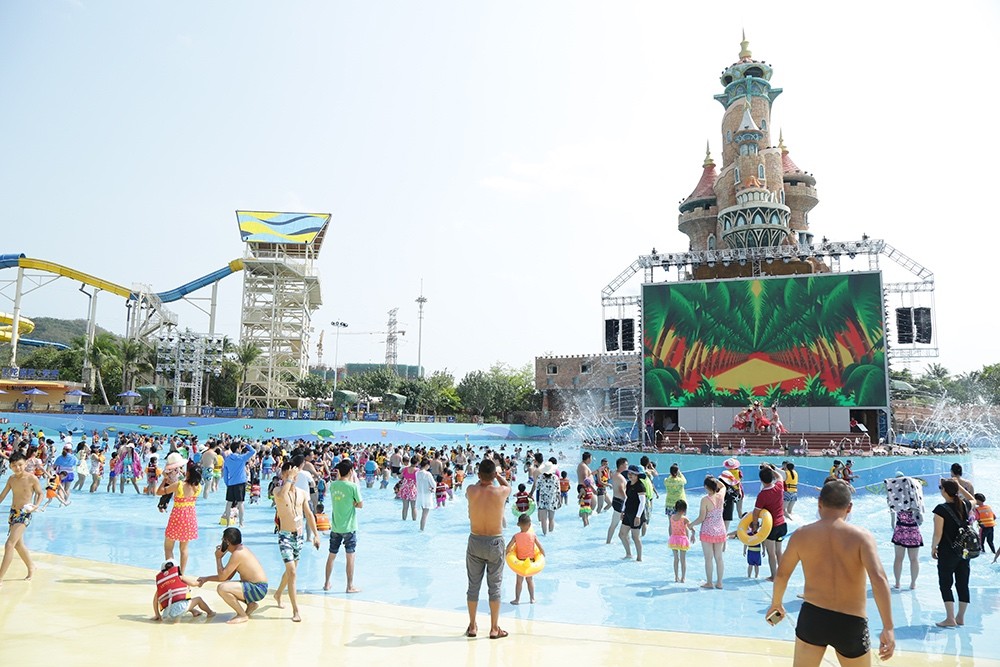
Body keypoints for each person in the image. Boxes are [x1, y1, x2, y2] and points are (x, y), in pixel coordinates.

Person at [767, 481, 894, 666]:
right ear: (849, 508)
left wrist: (776, 603)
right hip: (851, 622)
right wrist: (888, 627)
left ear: (819, 503)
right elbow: (879, 580)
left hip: (813, 617)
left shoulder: (801, 535)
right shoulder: (861, 537)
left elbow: (782, 575)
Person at [464, 456, 510, 640]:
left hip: (475, 540)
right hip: (494, 542)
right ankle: (494, 628)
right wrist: (497, 475)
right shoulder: (501, 492)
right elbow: (507, 485)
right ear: (493, 475)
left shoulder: (471, 490)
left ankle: (473, 626)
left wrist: (484, 477)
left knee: (473, 586)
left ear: (478, 474)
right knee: (495, 587)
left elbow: (478, 484)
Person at [273, 459, 321, 622]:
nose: (293, 478)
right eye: (289, 475)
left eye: (294, 475)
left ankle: (278, 593)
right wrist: (288, 478)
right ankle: (295, 610)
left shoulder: (301, 493)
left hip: (298, 536)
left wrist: (316, 535)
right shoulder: (278, 491)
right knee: (292, 572)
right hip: (285, 535)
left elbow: (309, 514)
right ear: (283, 475)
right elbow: (282, 495)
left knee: (290, 572)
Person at [197, 527, 268, 624]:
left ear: (227, 542)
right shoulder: (240, 550)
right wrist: (206, 579)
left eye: (223, 540)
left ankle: (242, 615)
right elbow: (227, 577)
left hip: (258, 588)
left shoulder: (238, 554)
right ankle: (251, 604)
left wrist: (218, 558)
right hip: (258, 587)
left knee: (222, 588)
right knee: (226, 586)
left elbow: (222, 577)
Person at [931, 479, 973, 627]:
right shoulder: (965, 505)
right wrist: (959, 486)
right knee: (963, 584)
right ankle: (960, 617)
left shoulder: (940, 510)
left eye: (940, 487)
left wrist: (933, 548)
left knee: (945, 584)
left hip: (947, 552)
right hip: (964, 551)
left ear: (944, 491)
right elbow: (973, 499)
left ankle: (950, 618)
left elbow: (937, 534)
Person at [0, 453, 43, 587]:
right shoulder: (11, 479)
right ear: (10, 466)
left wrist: (36, 505)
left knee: (9, 544)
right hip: (13, 513)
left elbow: (40, 493)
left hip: (24, 513)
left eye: (20, 465)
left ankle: (0, 578)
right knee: (18, 545)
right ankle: (31, 566)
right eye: (14, 465)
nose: (17, 468)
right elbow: (2, 495)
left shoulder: (32, 478)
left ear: (25, 464)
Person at [324, 459, 362, 593]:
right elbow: (360, 504)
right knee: (350, 556)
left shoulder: (333, 485)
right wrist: (353, 503)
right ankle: (349, 586)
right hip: (349, 527)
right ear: (351, 471)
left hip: (335, 526)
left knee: (331, 555)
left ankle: (326, 583)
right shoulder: (353, 487)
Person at [159, 460, 202, 575]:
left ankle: (171, 572)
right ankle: (182, 574)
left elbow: (159, 492)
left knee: (168, 547)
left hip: (177, 517)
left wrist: (164, 481)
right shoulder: (198, 488)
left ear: (188, 473)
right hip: (190, 518)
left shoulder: (179, 485)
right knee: (184, 549)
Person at [885, 474, 924, 590]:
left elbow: (892, 518)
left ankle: (897, 583)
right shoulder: (916, 502)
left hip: (900, 530)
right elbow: (920, 521)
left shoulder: (897, 502)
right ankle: (913, 583)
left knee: (898, 558)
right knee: (914, 559)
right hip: (913, 531)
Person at [689, 475, 726, 589]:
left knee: (708, 558)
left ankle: (709, 582)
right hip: (720, 530)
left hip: (708, 531)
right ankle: (719, 583)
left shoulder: (705, 500)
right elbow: (723, 486)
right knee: (719, 558)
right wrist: (714, 479)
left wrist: (691, 525)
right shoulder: (721, 495)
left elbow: (701, 518)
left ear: (706, 487)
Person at [752, 462, 787, 581]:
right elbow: (780, 477)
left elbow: (756, 512)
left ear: (761, 480)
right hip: (782, 525)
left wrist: (755, 526)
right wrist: (771, 470)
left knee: (771, 553)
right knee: (779, 551)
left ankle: (774, 576)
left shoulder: (762, 495)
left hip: (771, 527)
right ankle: (782, 574)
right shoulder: (779, 487)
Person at [506, 513, 544, 605]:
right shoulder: (533, 536)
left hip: (520, 562)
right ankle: (532, 598)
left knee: (519, 582)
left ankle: (517, 599)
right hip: (530, 562)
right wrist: (543, 555)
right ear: (530, 524)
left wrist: (506, 553)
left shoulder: (516, 536)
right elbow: (540, 547)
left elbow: (508, 547)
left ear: (518, 524)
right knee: (530, 581)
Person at [220, 441, 256, 527]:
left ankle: (227, 523)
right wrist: (246, 444)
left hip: (231, 483)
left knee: (229, 503)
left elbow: (225, 474)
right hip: (240, 483)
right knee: (240, 503)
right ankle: (241, 523)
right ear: (237, 449)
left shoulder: (227, 459)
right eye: (240, 448)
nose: (241, 449)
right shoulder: (241, 458)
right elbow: (253, 451)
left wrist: (227, 483)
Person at [618, 465, 647, 562]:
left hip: (636, 514)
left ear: (637, 475)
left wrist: (638, 516)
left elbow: (642, 502)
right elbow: (627, 498)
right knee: (622, 534)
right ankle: (629, 554)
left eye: (632, 474)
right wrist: (623, 510)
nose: (630, 475)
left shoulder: (640, 486)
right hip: (628, 512)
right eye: (629, 473)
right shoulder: (628, 484)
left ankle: (639, 558)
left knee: (635, 537)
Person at [668, 499, 694, 582]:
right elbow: (691, 528)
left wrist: (671, 537)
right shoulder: (684, 518)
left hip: (674, 539)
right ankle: (683, 578)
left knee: (676, 559)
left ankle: (676, 577)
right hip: (682, 540)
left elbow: (670, 528)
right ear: (684, 509)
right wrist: (693, 534)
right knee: (683, 560)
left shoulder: (672, 517)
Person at [532, 461, 559, 535]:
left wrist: (537, 500)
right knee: (551, 519)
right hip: (552, 500)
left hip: (543, 500)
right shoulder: (555, 478)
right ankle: (551, 534)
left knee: (543, 520)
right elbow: (558, 490)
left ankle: (545, 534)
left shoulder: (540, 477)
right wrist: (559, 500)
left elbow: (537, 489)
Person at [605, 458, 628, 544]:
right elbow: (621, 490)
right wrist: (627, 500)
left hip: (615, 499)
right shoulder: (620, 477)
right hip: (620, 501)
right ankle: (608, 542)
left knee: (620, 523)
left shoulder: (614, 473)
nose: (627, 466)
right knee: (615, 523)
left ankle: (609, 541)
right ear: (621, 465)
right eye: (626, 464)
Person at [416, 458, 436, 531]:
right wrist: (432, 488)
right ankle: (422, 530)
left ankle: (421, 529)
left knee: (423, 515)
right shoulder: (428, 474)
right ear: (427, 465)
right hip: (427, 496)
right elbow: (434, 485)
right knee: (424, 515)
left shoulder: (417, 473)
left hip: (419, 496)